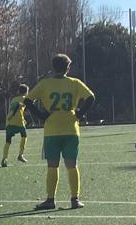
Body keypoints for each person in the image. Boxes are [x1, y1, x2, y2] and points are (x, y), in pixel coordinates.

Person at [25, 53, 95, 211]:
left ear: (52, 67)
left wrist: (41, 116)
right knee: (72, 165)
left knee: (52, 166)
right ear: (68, 68)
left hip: (52, 131)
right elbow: (91, 98)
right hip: (71, 129)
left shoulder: (45, 84)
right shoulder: (75, 83)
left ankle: (50, 200)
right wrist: (79, 114)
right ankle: (75, 199)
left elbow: (28, 100)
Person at [0, 83, 29, 167]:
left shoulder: (13, 99)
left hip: (9, 122)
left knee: (8, 142)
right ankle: (20, 155)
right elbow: (18, 107)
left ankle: (4, 159)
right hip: (19, 123)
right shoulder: (24, 98)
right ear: (26, 92)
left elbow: (16, 110)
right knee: (24, 136)